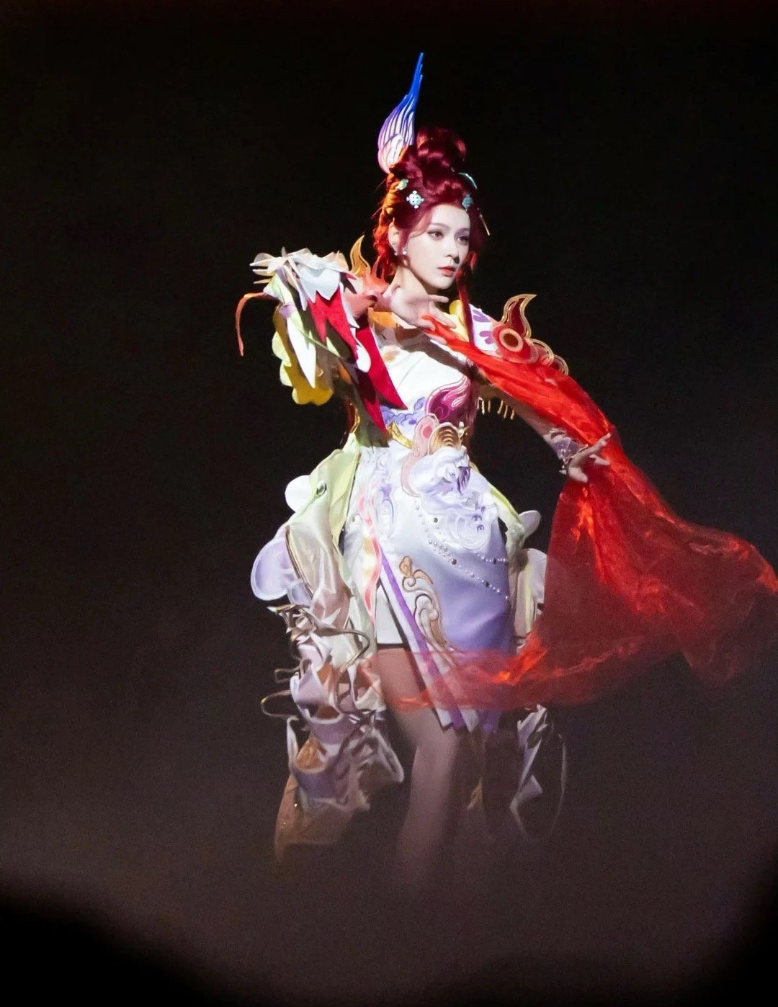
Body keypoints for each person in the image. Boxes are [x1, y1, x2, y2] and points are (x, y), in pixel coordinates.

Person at [239, 55, 778, 893]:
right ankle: (403, 933)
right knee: (437, 748)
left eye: (463, 237)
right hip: (386, 537)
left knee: (463, 759)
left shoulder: (480, 335)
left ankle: (434, 928)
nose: (453, 249)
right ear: (399, 234)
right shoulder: (357, 309)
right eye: (436, 233)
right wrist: (382, 303)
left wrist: (593, 464)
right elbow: (295, 284)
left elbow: (556, 413)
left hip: (471, 546)